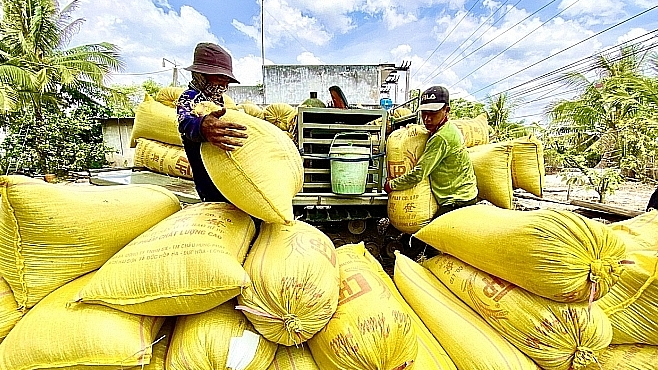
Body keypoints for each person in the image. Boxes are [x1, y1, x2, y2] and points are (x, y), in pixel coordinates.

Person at [384, 85, 478, 218]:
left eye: (432, 113)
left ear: (447, 110)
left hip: (457, 200)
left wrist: (391, 185)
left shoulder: (441, 137)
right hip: (463, 194)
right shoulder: (444, 128)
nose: (427, 119)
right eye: (424, 113)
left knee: (425, 237)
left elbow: (418, 174)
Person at [177, 42, 248, 202]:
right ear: (200, 75)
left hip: (228, 176)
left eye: (227, 81)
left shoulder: (219, 101)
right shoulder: (190, 98)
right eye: (220, 78)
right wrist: (202, 126)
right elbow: (185, 123)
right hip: (209, 182)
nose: (224, 86)